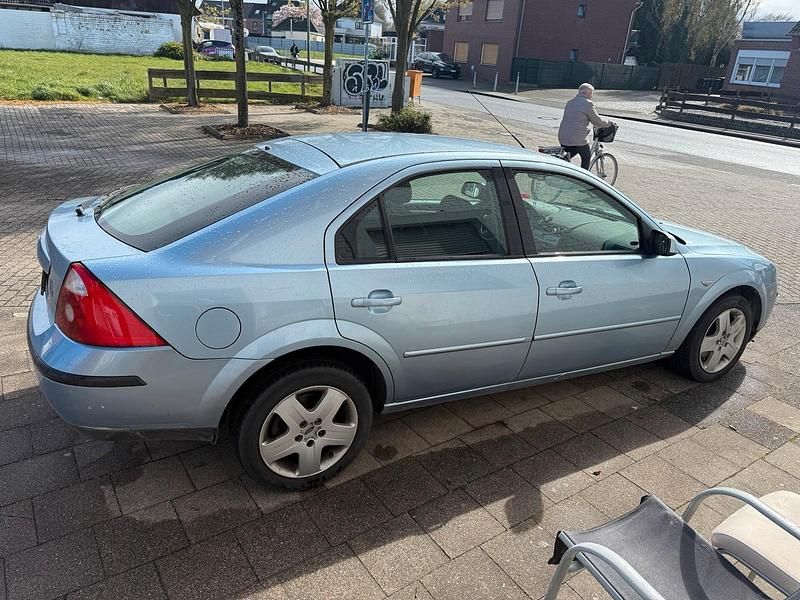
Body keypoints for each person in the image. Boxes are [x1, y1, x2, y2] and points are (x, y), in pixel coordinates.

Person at [557, 83, 614, 170]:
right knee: (586, 157)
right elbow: (597, 121)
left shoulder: (570, 102)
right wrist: (609, 123)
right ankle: (584, 177)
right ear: (586, 93)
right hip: (577, 138)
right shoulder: (587, 104)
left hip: (563, 136)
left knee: (570, 152)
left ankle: (562, 166)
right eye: (591, 94)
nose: (591, 96)